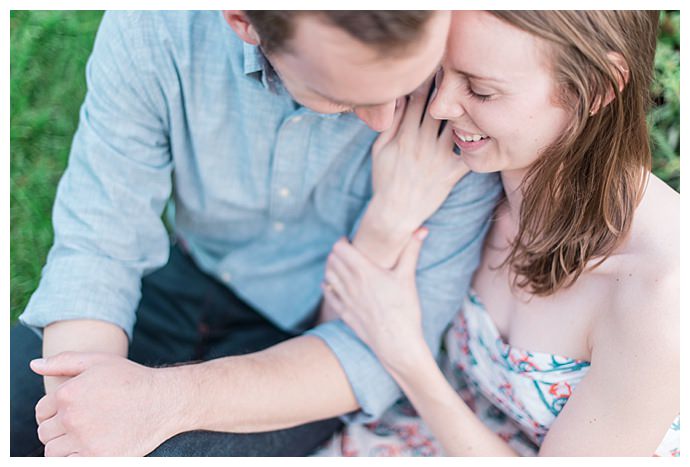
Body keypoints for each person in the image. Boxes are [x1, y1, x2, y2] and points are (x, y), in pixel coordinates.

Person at [10, 10, 504, 456]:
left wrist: (160, 403)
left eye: (410, 82)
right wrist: (77, 413)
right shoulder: (158, 26)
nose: (384, 121)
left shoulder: (458, 110)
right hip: (184, 274)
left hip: (307, 353)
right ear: (244, 22)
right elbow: (99, 244)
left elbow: (371, 354)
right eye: (342, 98)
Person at [316, 10, 680, 456]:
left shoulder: (661, 293)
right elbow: (332, 345)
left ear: (598, 87)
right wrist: (389, 215)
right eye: (438, 71)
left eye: (481, 90)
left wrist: (405, 354)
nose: (440, 106)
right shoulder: (461, 164)